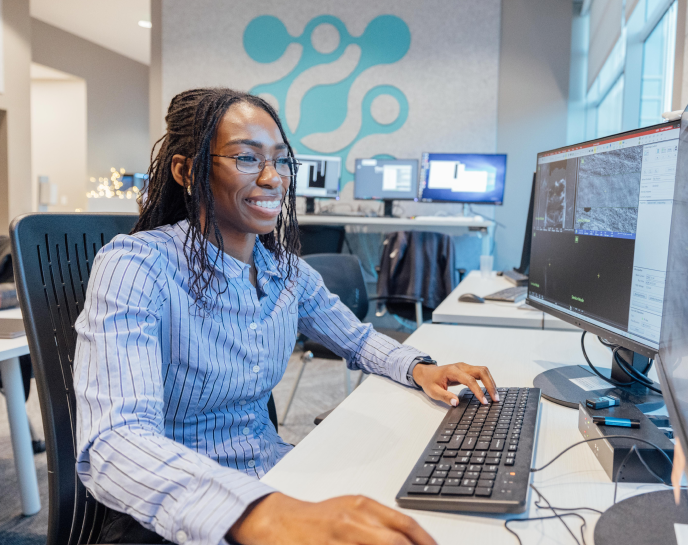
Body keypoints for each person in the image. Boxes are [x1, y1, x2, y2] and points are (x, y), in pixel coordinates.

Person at [73, 88, 499, 545]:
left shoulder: (285, 271)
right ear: (187, 172)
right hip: (180, 511)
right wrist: (263, 514)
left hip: (276, 473)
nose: (273, 178)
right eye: (247, 159)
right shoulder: (136, 266)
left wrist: (420, 367)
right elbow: (116, 441)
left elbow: (354, 340)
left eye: (281, 161)